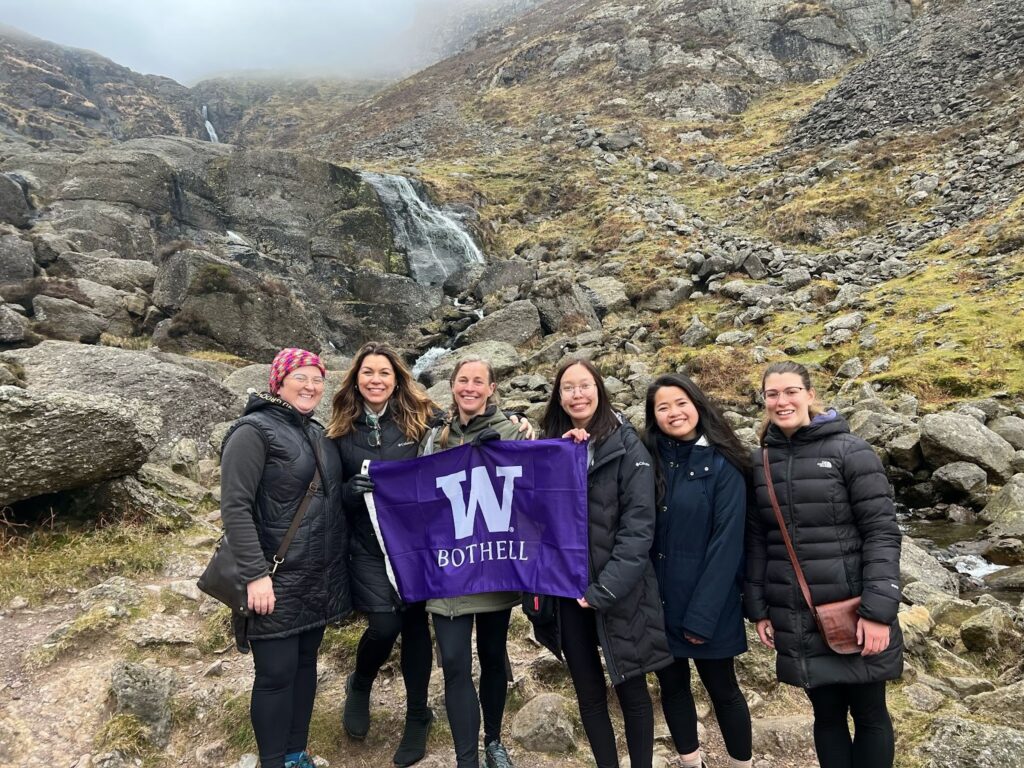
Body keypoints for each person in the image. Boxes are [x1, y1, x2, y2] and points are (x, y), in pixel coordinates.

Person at [745, 361, 903, 768]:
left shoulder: (851, 451)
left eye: (791, 391)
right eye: (772, 394)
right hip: (796, 614)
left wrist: (878, 613)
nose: (782, 402)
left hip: (854, 611)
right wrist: (760, 608)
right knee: (826, 716)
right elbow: (760, 541)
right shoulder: (761, 463)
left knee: (869, 715)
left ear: (810, 394)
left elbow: (882, 533)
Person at [536, 358, 672, 768]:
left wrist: (606, 588)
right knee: (589, 694)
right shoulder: (550, 446)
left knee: (633, 690)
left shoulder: (629, 444)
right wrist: (562, 454)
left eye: (585, 385)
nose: (577, 394)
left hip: (619, 590)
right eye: (568, 388)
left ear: (599, 388)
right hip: (566, 591)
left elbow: (638, 529)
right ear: (558, 396)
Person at [219, 347, 350, 768]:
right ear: (278, 381)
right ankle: (273, 760)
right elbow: (235, 507)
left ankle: (297, 753)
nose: (311, 386)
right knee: (275, 675)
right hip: (274, 578)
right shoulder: (252, 431)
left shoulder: (315, 432)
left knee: (306, 666)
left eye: (317, 379)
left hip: (316, 577)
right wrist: (255, 575)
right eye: (301, 378)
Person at [327, 342, 438, 767]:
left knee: (414, 625)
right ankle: (361, 682)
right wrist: (348, 493)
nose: (376, 380)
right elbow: (328, 493)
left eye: (384, 373)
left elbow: (468, 440)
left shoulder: (422, 418)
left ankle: (417, 716)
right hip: (367, 547)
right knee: (384, 623)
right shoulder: (339, 429)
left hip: (414, 546)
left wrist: (516, 426)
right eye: (368, 372)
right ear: (356, 378)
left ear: (397, 379)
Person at [420, 356, 527, 768]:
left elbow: (537, 485)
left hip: (493, 569)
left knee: (493, 656)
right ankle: (467, 758)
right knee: (453, 662)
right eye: (462, 380)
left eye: (478, 381)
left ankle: (494, 741)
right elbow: (416, 493)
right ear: (453, 386)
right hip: (448, 569)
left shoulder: (513, 431)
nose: (469, 387)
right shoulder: (434, 439)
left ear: (491, 388)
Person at [643, 374, 753, 768]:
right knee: (671, 689)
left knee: (723, 689)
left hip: (710, 604)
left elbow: (727, 546)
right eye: (663, 407)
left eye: (681, 402)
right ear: (653, 416)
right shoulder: (648, 458)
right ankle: (692, 762)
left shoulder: (724, 464)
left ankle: (742, 763)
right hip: (660, 602)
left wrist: (702, 617)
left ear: (697, 404)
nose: (674, 413)